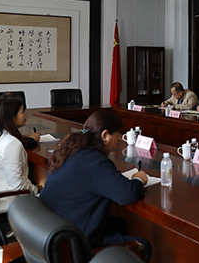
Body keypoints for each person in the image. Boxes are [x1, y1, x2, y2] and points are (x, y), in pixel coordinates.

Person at [40, 110, 152, 261]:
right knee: (144, 245)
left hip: (53, 229)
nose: (117, 142)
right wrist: (138, 179)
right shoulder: (96, 162)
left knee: (119, 224)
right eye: (116, 136)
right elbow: (127, 194)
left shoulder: (71, 150)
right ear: (105, 135)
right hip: (74, 241)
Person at [0, 96, 41, 212]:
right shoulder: (11, 144)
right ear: (12, 117)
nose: (25, 115)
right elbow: (17, 186)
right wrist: (35, 189)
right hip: (8, 202)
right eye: (22, 112)